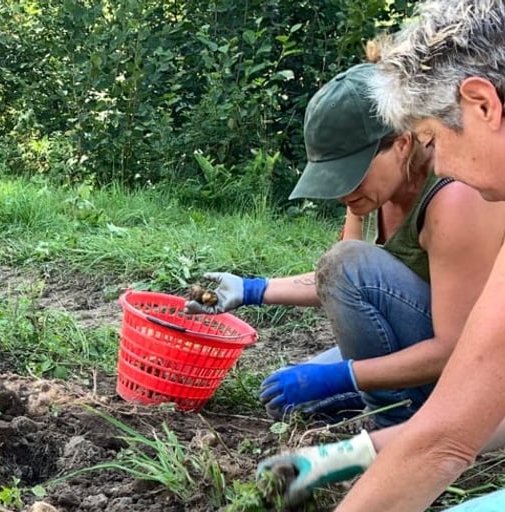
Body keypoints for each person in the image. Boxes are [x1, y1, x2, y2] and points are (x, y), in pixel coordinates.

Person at [233, 0, 505, 512]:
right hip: (464, 417)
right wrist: (343, 454)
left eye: (427, 136)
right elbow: (453, 425)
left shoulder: (463, 200)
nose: (434, 156)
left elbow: (454, 430)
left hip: (464, 411)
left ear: (481, 105)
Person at [188, 62, 505, 428]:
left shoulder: (452, 201)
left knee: (345, 264)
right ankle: (392, 403)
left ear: (402, 143)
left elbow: (456, 349)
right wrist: (252, 290)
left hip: (471, 370)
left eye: (352, 174)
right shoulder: (371, 195)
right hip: (419, 340)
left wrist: (346, 376)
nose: (343, 192)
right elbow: (342, 284)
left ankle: (397, 424)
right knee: (284, 403)